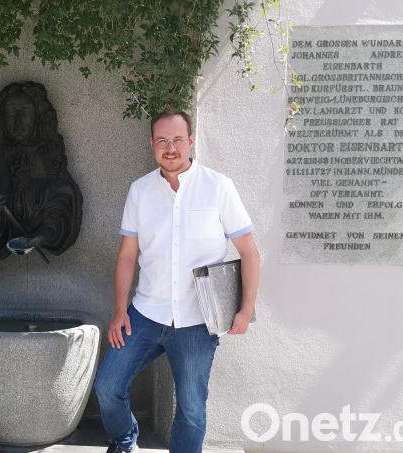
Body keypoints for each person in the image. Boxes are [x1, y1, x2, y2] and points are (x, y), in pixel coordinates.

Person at [93, 111, 260, 453]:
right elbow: (126, 256)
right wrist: (118, 311)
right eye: (162, 141)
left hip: (198, 321)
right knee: (107, 386)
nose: (170, 148)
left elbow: (250, 252)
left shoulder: (218, 187)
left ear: (191, 142)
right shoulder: (139, 191)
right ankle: (125, 439)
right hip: (145, 313)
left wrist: (245, 310)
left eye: (177, 140)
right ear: (152, 144)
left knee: (192, 410)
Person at [0, 82, 82, 259]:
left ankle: (41, 235)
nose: (18, 122)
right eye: (11, 113)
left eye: (25, 113)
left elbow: (64, 188)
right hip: (3, 219)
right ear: (1, 118)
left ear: (37, 117)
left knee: (65, 192)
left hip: (39, 215)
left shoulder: (48, 149)